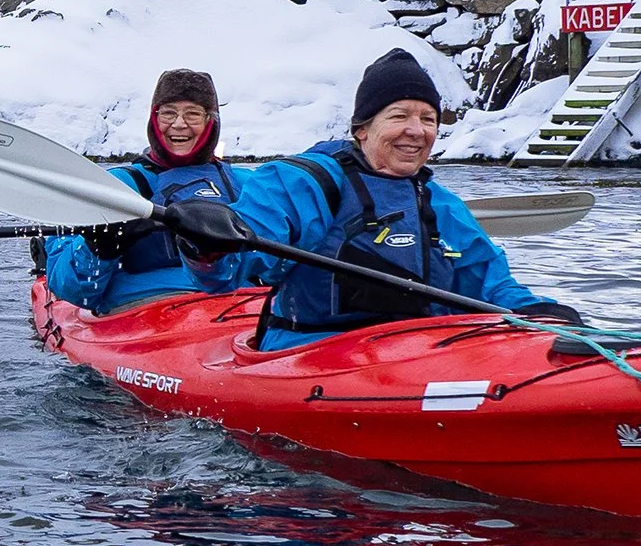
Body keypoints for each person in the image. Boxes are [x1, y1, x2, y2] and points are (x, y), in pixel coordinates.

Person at [188, 49, 578, 351]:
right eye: (399, 116)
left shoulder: (438, 203)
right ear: (362, 128)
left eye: (428, 119)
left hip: (421, 352)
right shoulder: (304, 182)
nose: (416, 130)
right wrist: (207, 245)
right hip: (311, 353)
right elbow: (232, 270)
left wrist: (536, 313)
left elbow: (491, 285)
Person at [44, 69, 249, 314]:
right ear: (154, 119)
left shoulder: (245, 183)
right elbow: (72, 293)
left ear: (210, 121)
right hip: (140, 308)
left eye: (192, 114)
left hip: (240, 306)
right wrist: (99, 246)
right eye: (168, 113)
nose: (179, 124)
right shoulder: (116, 186)